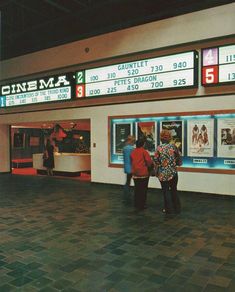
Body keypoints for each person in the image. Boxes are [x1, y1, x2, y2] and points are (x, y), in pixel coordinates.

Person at [154, 130, 182, 215]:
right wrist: (175, 163)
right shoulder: (173, 147)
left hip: (162, 173)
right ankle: (177, 207)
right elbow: (179, 158)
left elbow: (156, 160)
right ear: (169, 137)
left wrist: (160, 166)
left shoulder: (159, 148)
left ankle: (168, 209)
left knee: (165, 191)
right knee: (174, 189)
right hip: (173, 172)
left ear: (161, 138)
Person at [130, 138, 153, 210]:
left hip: (135, 174)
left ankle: (136, 203)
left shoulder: (133, 152)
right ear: (143, 144)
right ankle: (142, 204)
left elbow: (131, 161)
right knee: (143, 190)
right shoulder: (144, 152)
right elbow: (149, 162)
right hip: (143, 173)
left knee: (137, 189)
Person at [123, 135, 135, 205]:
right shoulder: (132, 149)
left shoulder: (124, 148)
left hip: (127, 167)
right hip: (132, 167)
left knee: (127, 181)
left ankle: (126, 195)